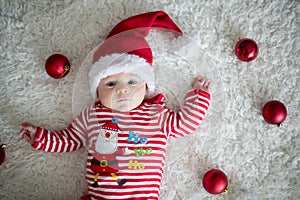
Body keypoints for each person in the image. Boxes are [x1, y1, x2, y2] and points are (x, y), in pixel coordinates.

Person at [19, 11, 211, 200]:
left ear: (146, 88)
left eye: (132, 82)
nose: (122, 90)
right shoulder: (92, 115)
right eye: (111, 84)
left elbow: (185, 123)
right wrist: (41, 138)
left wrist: (199, 95)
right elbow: (70, 139)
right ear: (97, 91)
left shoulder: (156, 113)